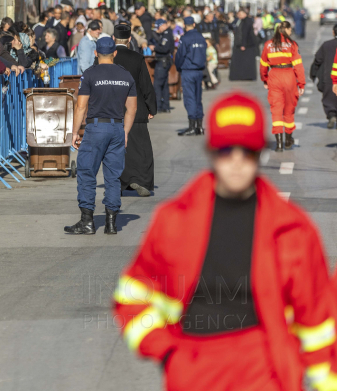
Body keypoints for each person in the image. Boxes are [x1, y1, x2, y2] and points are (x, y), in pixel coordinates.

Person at [112, 92, 337, 391]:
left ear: (260, 154)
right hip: (194, 368)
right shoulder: (174, 221)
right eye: (226, 150)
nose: (236, 162)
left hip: (263, 369)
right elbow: (133, 296)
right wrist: (166, 352)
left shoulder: (292, 229)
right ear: (212, 152)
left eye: (247, 151)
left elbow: (317, 319)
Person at [65, 37, 136, 235]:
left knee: (87, 173)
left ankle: (87, 222)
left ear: (96, 53)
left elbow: (81, 106)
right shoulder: (126, 76)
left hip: (96, 128)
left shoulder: (90, 74)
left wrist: (74, 132)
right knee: (113, 177)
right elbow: (132, 109)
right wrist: (125, 132)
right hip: (116, 128)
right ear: (115, 53)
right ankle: (111, 223)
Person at [113, 25, 157, 197]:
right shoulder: (137, 58)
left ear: (113, 38)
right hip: (136, 109)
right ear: (130, 39)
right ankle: (142, 181)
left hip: (113, 110)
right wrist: (151, 107)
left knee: (115, 148)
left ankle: (118, 182)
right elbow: (146, 85)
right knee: (141, 147)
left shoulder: (107, 58)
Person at [260, 22, 304, 152]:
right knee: (289, 109)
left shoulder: (268, 44)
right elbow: (298, 66)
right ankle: (288, 140)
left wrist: (265, 79)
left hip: (274, 76)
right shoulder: (292, 44)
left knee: (276, 110)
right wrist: (301, 83)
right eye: (290, 30)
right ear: (288, 30)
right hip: (289, 76)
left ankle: (279, 144)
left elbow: (263, 65)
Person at [175, 17, 208, 137]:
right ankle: (199, 126)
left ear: (185, 25)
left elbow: (180, 55)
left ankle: (192, 126)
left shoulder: (185, 38)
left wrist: (178, 67)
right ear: (194, 24)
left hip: (188, 70)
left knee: (190, 98)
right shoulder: (201, 37)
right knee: (198, 97)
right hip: (199, 71)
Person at [310, 24, 337, 128]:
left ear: (333, 32)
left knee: (328, 99)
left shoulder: (326, 45)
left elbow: (318, 60)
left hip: (329, 79)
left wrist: (313, 74)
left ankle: (331, 115)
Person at [151, 17, 175, 113]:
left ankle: (159, 106)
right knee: (164, 84)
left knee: (157, 84)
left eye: (158, 27)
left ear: (163, 25)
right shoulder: (166, 33)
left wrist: (155, 48)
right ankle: (165, 105)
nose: (157, 29)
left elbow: (164, 48)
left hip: (163, 61)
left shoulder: (166, 34)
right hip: (165, 61)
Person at [230, 8, 258, 81]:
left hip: (247, 45)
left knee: (246, 61)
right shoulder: (240, 21)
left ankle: (246, 76)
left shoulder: (247, 21)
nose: (238, 15)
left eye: (240, 14)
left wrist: (243, 44)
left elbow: (245, 34)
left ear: (244, 14)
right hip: (241, 44)